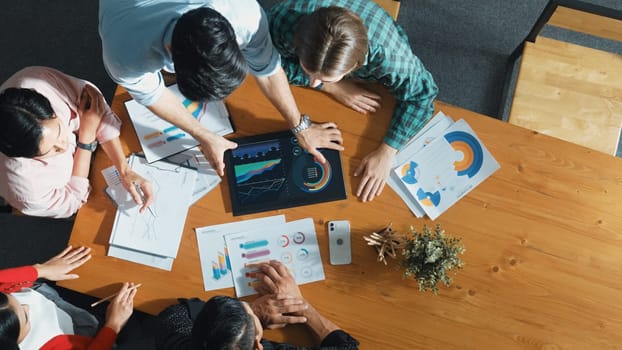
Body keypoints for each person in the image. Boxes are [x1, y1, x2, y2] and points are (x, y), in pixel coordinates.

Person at [99, 0, 344, 177]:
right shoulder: (124, 54)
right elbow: (154, 95)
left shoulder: (244, 14)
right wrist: (203, 134)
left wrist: (299, 125)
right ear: (172, 58)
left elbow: (267, 71)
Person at [268, 0, 439, 202]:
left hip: (382, 37)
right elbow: (270, 61)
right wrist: (332, 86)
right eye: (309, 72)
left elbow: (423, 96)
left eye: (324, 79)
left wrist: (388, 150)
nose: (313, 84)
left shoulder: (392, 60)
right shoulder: (284, 21)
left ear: (355, 67)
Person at [0, 66, 153, 218]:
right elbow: (71, 202)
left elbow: (96, 106)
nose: (64, 145)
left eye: (59, 131)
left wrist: (124, 169)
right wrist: (86, 138)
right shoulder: (24, 186)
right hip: (75, 184)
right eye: (51, 150)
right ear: (25, 156)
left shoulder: (40, 82)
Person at [156, 260, 359, 349]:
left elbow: (177, 312)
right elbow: (347, 347)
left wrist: (254, 315)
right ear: (257, 345)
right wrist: (299, 305)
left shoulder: (175, 339)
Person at [0, 245, 137, 349]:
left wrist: (41, 269)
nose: (26, 306)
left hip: (47, 301)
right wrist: (113, 324)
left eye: (11, 297)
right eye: (25, 317)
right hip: (78, 336)